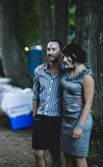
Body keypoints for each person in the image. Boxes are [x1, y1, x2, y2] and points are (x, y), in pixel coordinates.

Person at [60, 43, 94, 167]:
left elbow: (88, 102)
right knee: (68, 155)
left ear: (75, 55)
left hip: (79, 121)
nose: (64, 60)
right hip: (66, 120)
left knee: (79, 157)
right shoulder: (67, 69)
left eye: (67, 56)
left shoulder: (87, 77)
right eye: (63, 56)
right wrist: (41, 66)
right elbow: (53, 66)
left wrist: (79, 126)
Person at [32, 39, 64, 167]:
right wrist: (34, 116)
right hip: (40, 117)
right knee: (38, 153)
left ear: (61, 52)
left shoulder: (66, 72)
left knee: (55, 154)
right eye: (48, 49)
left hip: (57, 119)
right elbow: (35, 95)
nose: (50, 52)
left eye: (53, 49)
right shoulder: (40, 72)